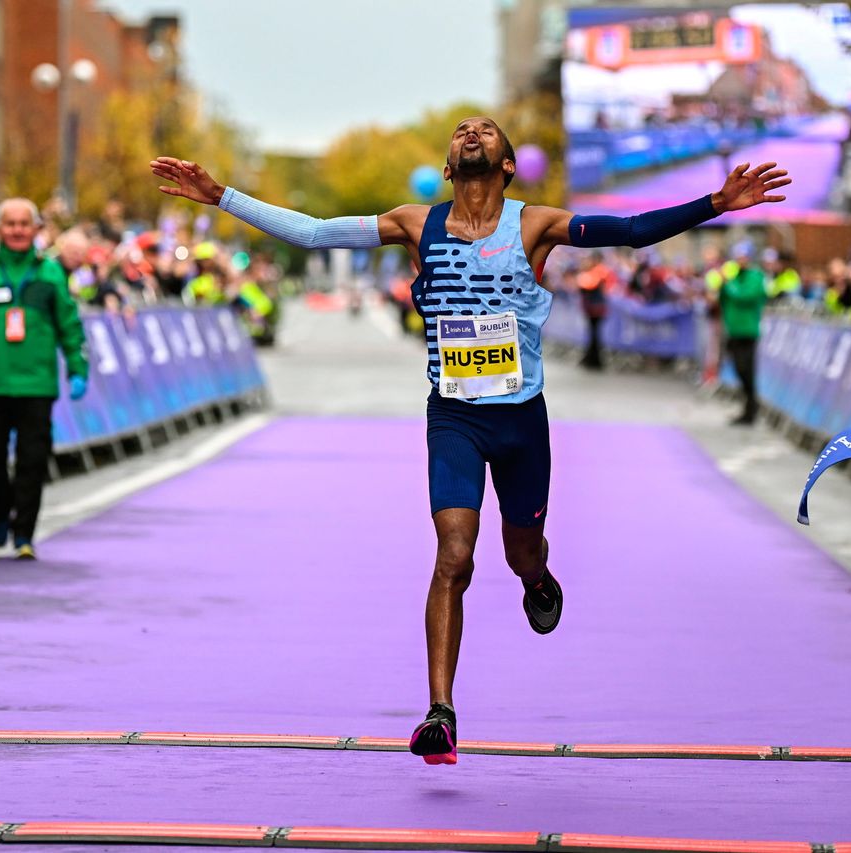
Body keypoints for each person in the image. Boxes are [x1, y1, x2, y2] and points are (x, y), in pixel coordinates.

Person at [150, 117, 790, 765]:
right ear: (450, 167)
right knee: (454, 554)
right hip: (454, 415)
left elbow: (626, 233)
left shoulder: (535, 224)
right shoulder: (413, 223)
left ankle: (537, 578)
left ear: (507, 164)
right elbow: (317, 234)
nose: (472, 133)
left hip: (520, 421)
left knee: (519, 554)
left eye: (486, 130)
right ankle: (440, 712)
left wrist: (714, 204)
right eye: (462, 132)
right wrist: (221, 195)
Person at [0, 198, 89, 560]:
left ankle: (24, 533)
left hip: (37, 386)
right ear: (0, 228)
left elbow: (69, 325)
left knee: (32, 461)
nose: (18, 230)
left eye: (25, 224)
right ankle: (0, 513)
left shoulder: (51, 273)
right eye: (11, 224)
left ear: (37, 228)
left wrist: (77, 369)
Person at [719, 241, 768, 425]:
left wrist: (728, 285)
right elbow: (723, 298)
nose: (741, 261)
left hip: (748, 330)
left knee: (746, 369)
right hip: (733, 329)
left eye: (744, 257)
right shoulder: (736, 277)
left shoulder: (755, 277)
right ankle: (748, 406)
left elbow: (744, 296)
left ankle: (751, 407)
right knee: (739, 370)